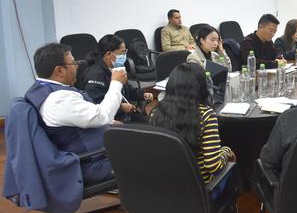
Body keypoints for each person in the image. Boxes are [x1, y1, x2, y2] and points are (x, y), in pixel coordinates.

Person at [24, 43, 127, 184]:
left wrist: (111, 123)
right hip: (92, 163)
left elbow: (78, 117)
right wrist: (116, 83)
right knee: (153, 154)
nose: (77, 66)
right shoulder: (58, 100)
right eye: (73, 63)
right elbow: (102, 116)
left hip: (97, 153)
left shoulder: (44, 89)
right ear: (59, 71)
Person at [150, 63, 236, 194]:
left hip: (166, 188)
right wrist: (227, 151)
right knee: (232, 168)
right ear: (201, 87)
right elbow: (213, 165)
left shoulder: (156, 113)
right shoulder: (206, 114)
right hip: (200, 191)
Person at [83, 34, 153, 123]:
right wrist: (121, 107)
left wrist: (142, 95)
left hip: (126, 115)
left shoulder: (115, 67)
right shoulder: (94, 75)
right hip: (112, 121)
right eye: (122, 53)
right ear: (108, 54)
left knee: (153, 123)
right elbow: (97, 105)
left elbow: (126, 90)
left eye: (125, 52)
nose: (124, 56)